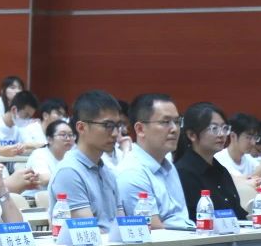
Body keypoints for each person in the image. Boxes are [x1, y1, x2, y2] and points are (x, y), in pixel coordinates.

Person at [48, 90, 126, 233]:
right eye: (108, 125)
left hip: (112, 245)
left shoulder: (107, 171)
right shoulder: (69, 172)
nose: (115, 133)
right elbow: (88, 232)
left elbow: (121, 224)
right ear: (81, 127)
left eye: (117, 126)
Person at [117, 93, 193, 229]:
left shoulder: (168, 166)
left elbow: (180, 218)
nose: (175, 129)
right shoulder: (132, 171)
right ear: (140, 129)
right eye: (165, 122)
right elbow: (154, 230)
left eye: (177, 122)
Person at [175, 102, 248, 221]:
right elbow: (193, 219)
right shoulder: (183, 173)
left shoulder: (221, 170)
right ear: (192, 135)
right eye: (214, 128)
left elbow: (237, 213)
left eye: (224, 128)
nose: (221, 134)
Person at [0, 90, 43, 157]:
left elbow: (33, 147)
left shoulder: (20, 126)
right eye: (26, 115)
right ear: (14, 110)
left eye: (29, 117)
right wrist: (27, 146)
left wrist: (28, 146)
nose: (27, 120)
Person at [25, 119, 75, 189]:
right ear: (49, 139)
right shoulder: (39, 154)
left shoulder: (71, 156)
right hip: (37, 195)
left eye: (70, 135)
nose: (68, 139)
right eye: (63, 135)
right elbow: (45, 179)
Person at [214, 113, 261, 180]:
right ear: (233, 136)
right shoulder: (218, 159)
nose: (253, 143)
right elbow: (243, 183)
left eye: (255, 138)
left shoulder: (249, 159)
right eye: (249, 137)